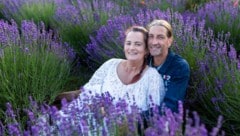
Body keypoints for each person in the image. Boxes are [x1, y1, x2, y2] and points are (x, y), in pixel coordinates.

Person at [63, 26, 165, 112]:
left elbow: (154, 114)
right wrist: (94, 107)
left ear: (146, 50)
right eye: (128, 43)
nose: (131, 48)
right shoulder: (110, 65)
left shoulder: (153, 78)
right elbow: (88, 92)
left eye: (137, 44)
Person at [147, 19, 190, 113]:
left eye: (160, 37)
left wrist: (135, 119)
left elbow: (170, 106)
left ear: (169, 41)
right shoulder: (142, 61)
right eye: (151, 37)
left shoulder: (179, 66)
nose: (154, 42)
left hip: (164, 124)